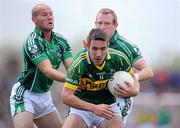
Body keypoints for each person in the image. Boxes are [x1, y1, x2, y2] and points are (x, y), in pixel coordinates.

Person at [83, 8, 153, 124]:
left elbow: (148, 71)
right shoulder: (91, 43)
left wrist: (131, 79)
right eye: (99, 23)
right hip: (95, 97)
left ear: (115, 25)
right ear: (95, 24)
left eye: (107, 23)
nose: (102, 27)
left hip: (119, 99)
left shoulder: (125, 46)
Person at [10, 3, 73, 128]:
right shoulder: (32, 41)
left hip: (44, 96)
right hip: (25, 94)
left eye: (51, 14)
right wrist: (73, 80)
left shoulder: (61, 41)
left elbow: (72, 69)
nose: (50, 17)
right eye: (44, 14)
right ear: (34, 20)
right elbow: (48, 71)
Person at [61, 28, 140, 128]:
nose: (98, 54)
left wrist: (135, 91)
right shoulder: (78, 64)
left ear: (108, 45)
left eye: (103, 49)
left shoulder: (119, 58)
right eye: (94, 48)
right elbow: (66, 97)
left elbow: (132, 77)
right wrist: (93, 108)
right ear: (87, 46)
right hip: (82, 108)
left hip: (108, 106)